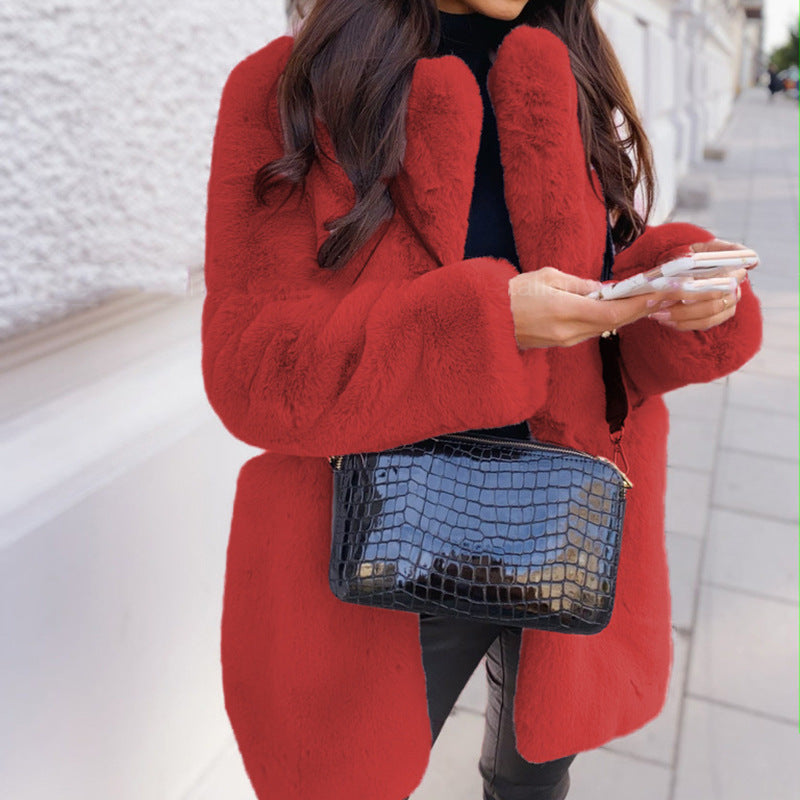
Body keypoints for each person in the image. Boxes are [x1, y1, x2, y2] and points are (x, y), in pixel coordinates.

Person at [200, 2, 763, 799]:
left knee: (534, 781)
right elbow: (251, 369)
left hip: (568, 523)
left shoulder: (568, 65)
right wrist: (482, 327)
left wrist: (669, 297)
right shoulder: (289, 91)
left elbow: (599, 345)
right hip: (378, 542)